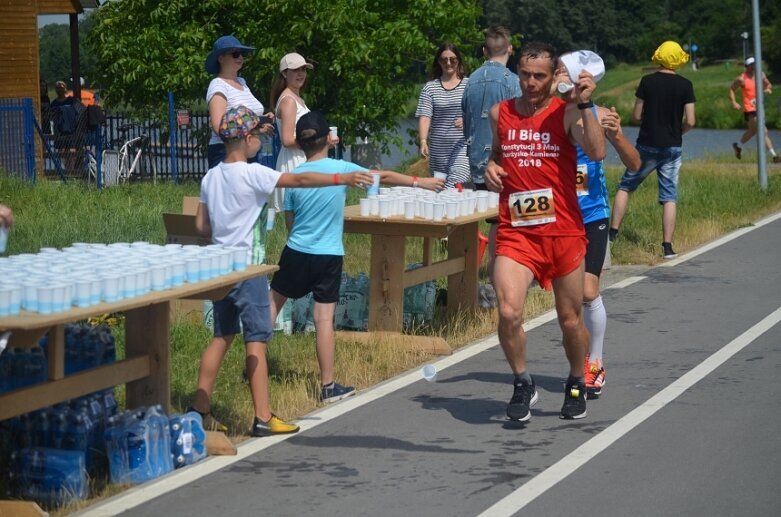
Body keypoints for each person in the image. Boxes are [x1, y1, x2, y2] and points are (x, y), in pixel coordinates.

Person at [190, 106, 372, 436]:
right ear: (245, 139)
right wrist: (341, 178)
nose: (260, 142)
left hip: (220, 271)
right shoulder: (253, 174)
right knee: (256, 343)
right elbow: (300, 178)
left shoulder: (210, 176)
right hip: (247, 271)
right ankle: (263, 417)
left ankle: (198, 409)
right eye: (258, 136)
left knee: (221, 337)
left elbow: (202, 225)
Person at [269, 111, 444, 404]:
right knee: (323, 318)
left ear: (299, 144)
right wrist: (419, 182)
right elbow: (382, 176)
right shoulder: (341, 168)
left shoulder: (295, 177)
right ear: (329, 138)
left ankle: (254, 364)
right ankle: (327, 386)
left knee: (272, 305)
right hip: (328, 255)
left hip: (296, 250)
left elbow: (290, 221)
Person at [485, 41, 606, 422]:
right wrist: (490, 168)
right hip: (517, 232)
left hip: (564, 233)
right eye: (525, 75)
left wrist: (586, 105)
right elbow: (495, 154)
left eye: (539, 76)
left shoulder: (567, 113)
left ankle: (576, 378)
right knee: (507, 312)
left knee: (570, 319)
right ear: (517, 73)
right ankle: (523, 382)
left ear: (555, 76)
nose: (531, 83)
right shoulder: (499, 112)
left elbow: (598, 152)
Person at [555, 54, 641, 398]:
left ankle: (595, 361)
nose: (557, 76)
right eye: (557, 71)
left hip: (592, 215)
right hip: (559, 217)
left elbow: (634, 164)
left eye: (563, 71)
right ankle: (578, 361)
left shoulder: (601, 114)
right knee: (568, 303)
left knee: (589, 292)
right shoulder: (548, 114)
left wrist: (617, 136)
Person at [609, 41, 695, 260]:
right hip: (673, 147)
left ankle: (611, 235)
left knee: (626, 186)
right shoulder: (686, 84)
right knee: (669, 196)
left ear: (658, 57)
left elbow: (636, 116)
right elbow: (691, 121)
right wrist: (679, 133)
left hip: (647, 144)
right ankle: (667, 247)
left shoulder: (647, 81)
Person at [462, 26, 522, 280]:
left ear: (484, 50)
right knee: (510, 221)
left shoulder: (470, 81)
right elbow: (521, 123)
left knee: (489, 219)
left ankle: (476, 274)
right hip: (506, 162)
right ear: (510, 48)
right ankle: (505, 272)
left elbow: (466, 122)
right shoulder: (513, 81)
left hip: (477, 160)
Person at [270, 53, 332, 213]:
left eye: (303, 69)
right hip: (294, 161)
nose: (301, 74)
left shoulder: (296, 98)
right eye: (296, 70)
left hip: (303, 158)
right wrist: (320, 142)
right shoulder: (289, 101)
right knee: (300, 216)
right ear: (284, 73)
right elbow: (287, 140)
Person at [205, 35, 275, 169]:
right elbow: (219, 126)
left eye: (242, 54)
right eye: (235, 54)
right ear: (220, 58)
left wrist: (262, 120)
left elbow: (244, 117)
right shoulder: (218, 85)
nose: (240, 58)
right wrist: (256, 130)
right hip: (226, 152)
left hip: (248, 150)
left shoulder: (242, 82)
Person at [415, 43, 470, 189]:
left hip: (462, 146)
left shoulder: (469, 85)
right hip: (438, 150)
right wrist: (423, 141)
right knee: (439, 187)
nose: (448, 63)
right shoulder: (430, 88)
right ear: (439, 62)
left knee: (454, 182)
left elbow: (481, 114)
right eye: (444, 60)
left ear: (459, 60)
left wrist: (468, 120)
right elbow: (425, 116)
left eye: (453, 59)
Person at [729, 57, 780, 163]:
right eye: (751, 65)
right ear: (747, 67)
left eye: (755, 64)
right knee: (763, 130)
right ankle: (774, 156)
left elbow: (768, 84)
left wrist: (767, 89)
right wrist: (733, 102)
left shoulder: (761, 75)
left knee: (752, 132)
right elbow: (731, 89)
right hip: (749, 108)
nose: (754, 67)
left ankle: (737, 146)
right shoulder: (741, 79)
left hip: (759, 107)